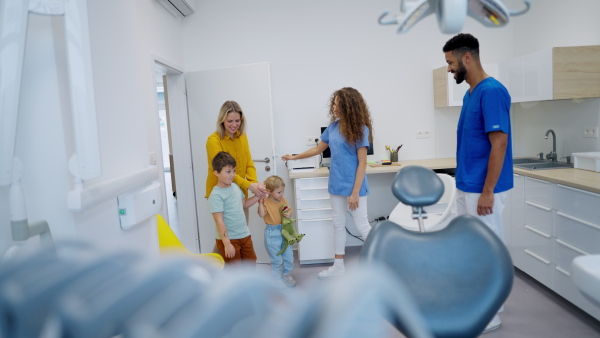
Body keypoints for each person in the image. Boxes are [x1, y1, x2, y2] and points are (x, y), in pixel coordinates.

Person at [443, 33, 513, 333]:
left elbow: (499, 144)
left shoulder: (492, 91)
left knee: (488, 249)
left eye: (450, 62)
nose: (448, 69)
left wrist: (487, 192)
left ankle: (491, 312)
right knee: (471, 247)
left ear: (466, 58)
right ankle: (476, 300)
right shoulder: (470, 94)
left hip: (484, 189)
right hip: (466, 184)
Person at [282, 87, 373, 279]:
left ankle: (383, 264)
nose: (334, 107)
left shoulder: (360, 129)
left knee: (362, 225)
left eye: (337, 103)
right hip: (336, 184)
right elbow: (317, 150)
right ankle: (338, 266)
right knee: (338, 225)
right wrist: (294, 157)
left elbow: (363, 162)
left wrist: (355, 192)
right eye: (334, 103)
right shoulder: (332, 128)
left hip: (355, 186)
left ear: (348, 106)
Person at [206, 100, 268, 253]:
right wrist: (249, 185)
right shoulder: (213, 140)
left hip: (238, 191)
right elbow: (225, 171)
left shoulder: (242, 136)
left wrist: (254, 184)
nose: (234, 125)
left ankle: (222, 268)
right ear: (222, 120)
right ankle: (216, 268)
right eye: (230, 121)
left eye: (237, 121)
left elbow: (248, 163)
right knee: (227, 236)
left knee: (239, 234)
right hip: (222, 192)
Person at [208, 151, 260, 264]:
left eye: (234, 171)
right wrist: (227, 244)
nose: (232, 175)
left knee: (251, 263)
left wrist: (257, 196)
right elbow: (219, 220)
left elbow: (244, 204)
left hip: (244, 234)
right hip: (230, 239)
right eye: (228, 172)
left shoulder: (236, 187)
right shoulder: (216, 195)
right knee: (234, 269)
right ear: (216, 173)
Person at [257, 175, 296, 288]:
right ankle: (276, 278)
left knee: (289, 257)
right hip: (272, 234)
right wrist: (260, 202)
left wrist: (289, 214)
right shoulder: (265, 202)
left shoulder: (282, 199)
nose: (282, 194)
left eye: (282, 191)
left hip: (284, 231)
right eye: (279, 192)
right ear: (269, 191)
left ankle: (286, 274)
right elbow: (261, 214)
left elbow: (288, 210)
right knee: (276, 259)